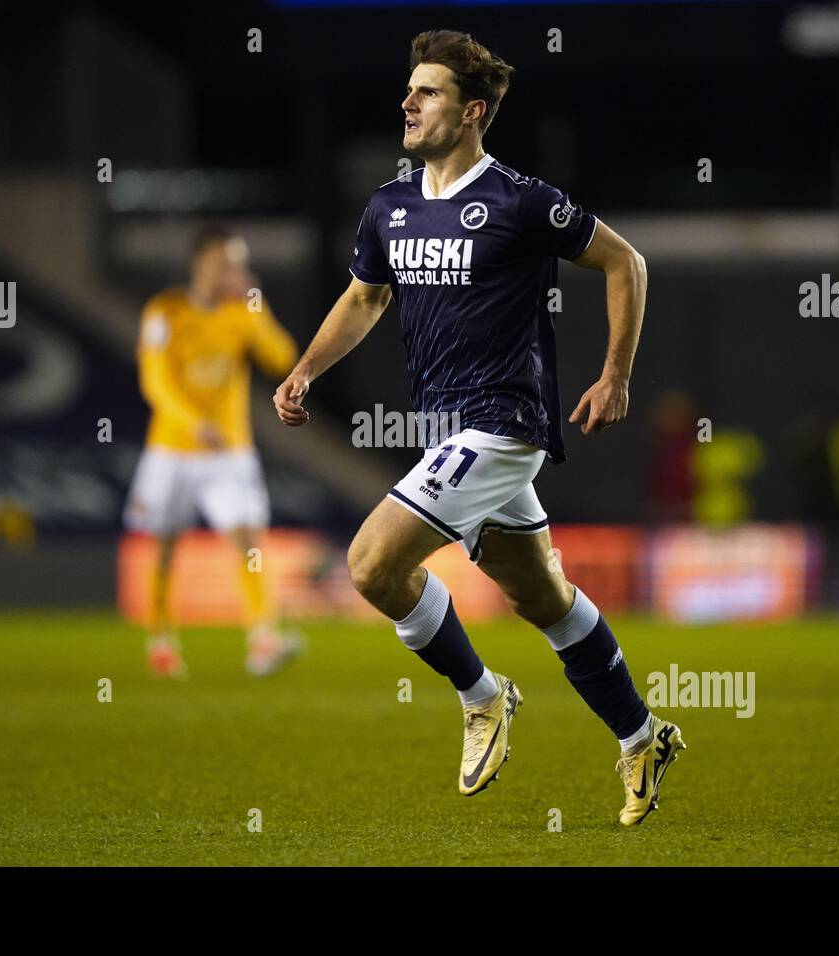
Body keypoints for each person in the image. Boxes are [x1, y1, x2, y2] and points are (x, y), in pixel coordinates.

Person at [273, 31, 684, 825]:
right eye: (409, 89)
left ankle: (483, 695)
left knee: (369, 566)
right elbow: (365, 299)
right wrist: (304, 371)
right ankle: (643, 735)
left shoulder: (521, 200)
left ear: (472, 113)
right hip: (449, 434)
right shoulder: (388, 208)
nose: (408, 102)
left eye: (426, 92)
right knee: (546, 600)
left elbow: (624, 262)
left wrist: (616, 375)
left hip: (503, 425)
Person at [125, 225, 303, 677]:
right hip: (172, 449)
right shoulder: (164, 312)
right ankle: (162, 642)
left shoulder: (241, 312)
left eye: (237, 264)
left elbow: (283, 359)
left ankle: (264, 640)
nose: (233, 271)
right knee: (163, 546)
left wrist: (257, 306)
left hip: (230, 450)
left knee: (248, 541)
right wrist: (194, 422)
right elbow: (155, 382)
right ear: (200, 262)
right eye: (225, 262)